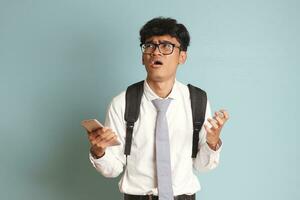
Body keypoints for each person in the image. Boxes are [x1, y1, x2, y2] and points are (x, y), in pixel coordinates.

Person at [87, 17, 229, 200]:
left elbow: (203, 166)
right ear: (142, 56)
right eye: (150, 46)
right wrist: (99, 151)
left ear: (182, 56)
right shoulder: (122, 103)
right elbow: (112, 169)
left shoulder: (197, 100)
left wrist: (212, 142)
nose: (156, 52)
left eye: (166, 46)